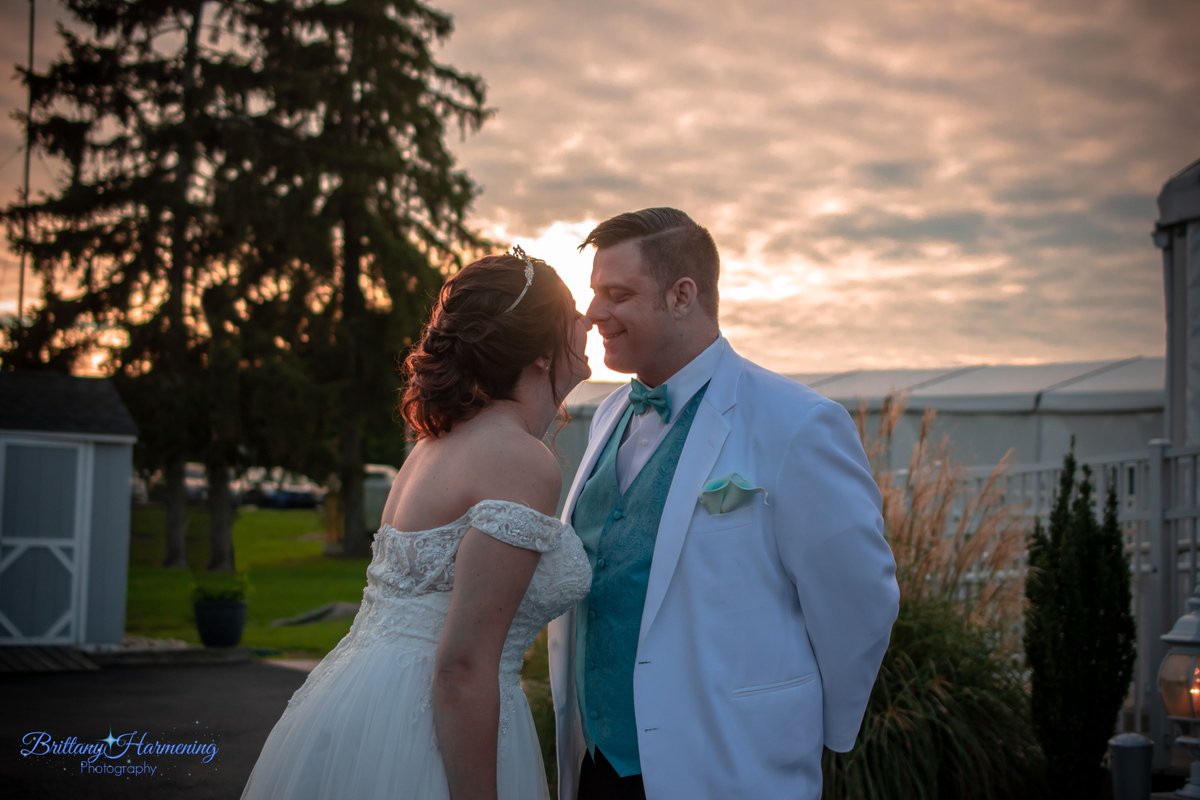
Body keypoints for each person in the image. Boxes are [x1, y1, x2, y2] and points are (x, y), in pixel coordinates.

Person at [547, 208, 900, 800]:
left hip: (730, 766)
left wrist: (813, 733)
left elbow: (859, 597)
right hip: (599, 765)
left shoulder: (798, 424)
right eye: (594, 294)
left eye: (618, 294)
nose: (594, 314)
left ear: (682, 294)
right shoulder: (609, 414)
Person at [241, 249, 593, 800]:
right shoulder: (519, 459)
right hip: (434, 730)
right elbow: (462, 666)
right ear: (543, 354)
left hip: (360, 701)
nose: (588, 322)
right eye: (573, 312)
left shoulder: (434, 445)